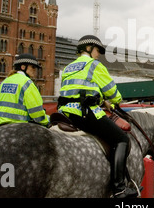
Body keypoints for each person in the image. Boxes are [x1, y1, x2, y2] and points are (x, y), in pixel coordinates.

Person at [57, 35, 137, 198]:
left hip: (65, 114)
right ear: (88, 49)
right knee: (122, 139)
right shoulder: (94, 65)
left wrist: (99, 99)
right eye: (97, 50)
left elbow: (77, 90)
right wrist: (112, 101)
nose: (98, 54)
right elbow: (112, 92)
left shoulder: (68, 68)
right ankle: (119, 189)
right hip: (84, 113)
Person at [0, 54, 49, 129]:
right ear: (23, 67)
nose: (34, 70)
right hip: (19, 126)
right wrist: (46, 121)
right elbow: (36, 112)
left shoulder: (4, 82)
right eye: (32, 67)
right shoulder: (27, 83)